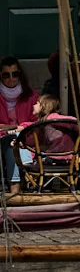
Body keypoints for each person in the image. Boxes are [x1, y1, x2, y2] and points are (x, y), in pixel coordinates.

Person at [0, 59, 39, 191]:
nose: (11, 79)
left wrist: (22, 127)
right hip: (3, 137)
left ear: (20, 74)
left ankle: (14, 188)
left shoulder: (31, 95)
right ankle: (23, 178)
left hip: (27, 138)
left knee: (15, 140)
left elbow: (38, 121)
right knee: (12, 141)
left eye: (15, 74)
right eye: (6, 75)